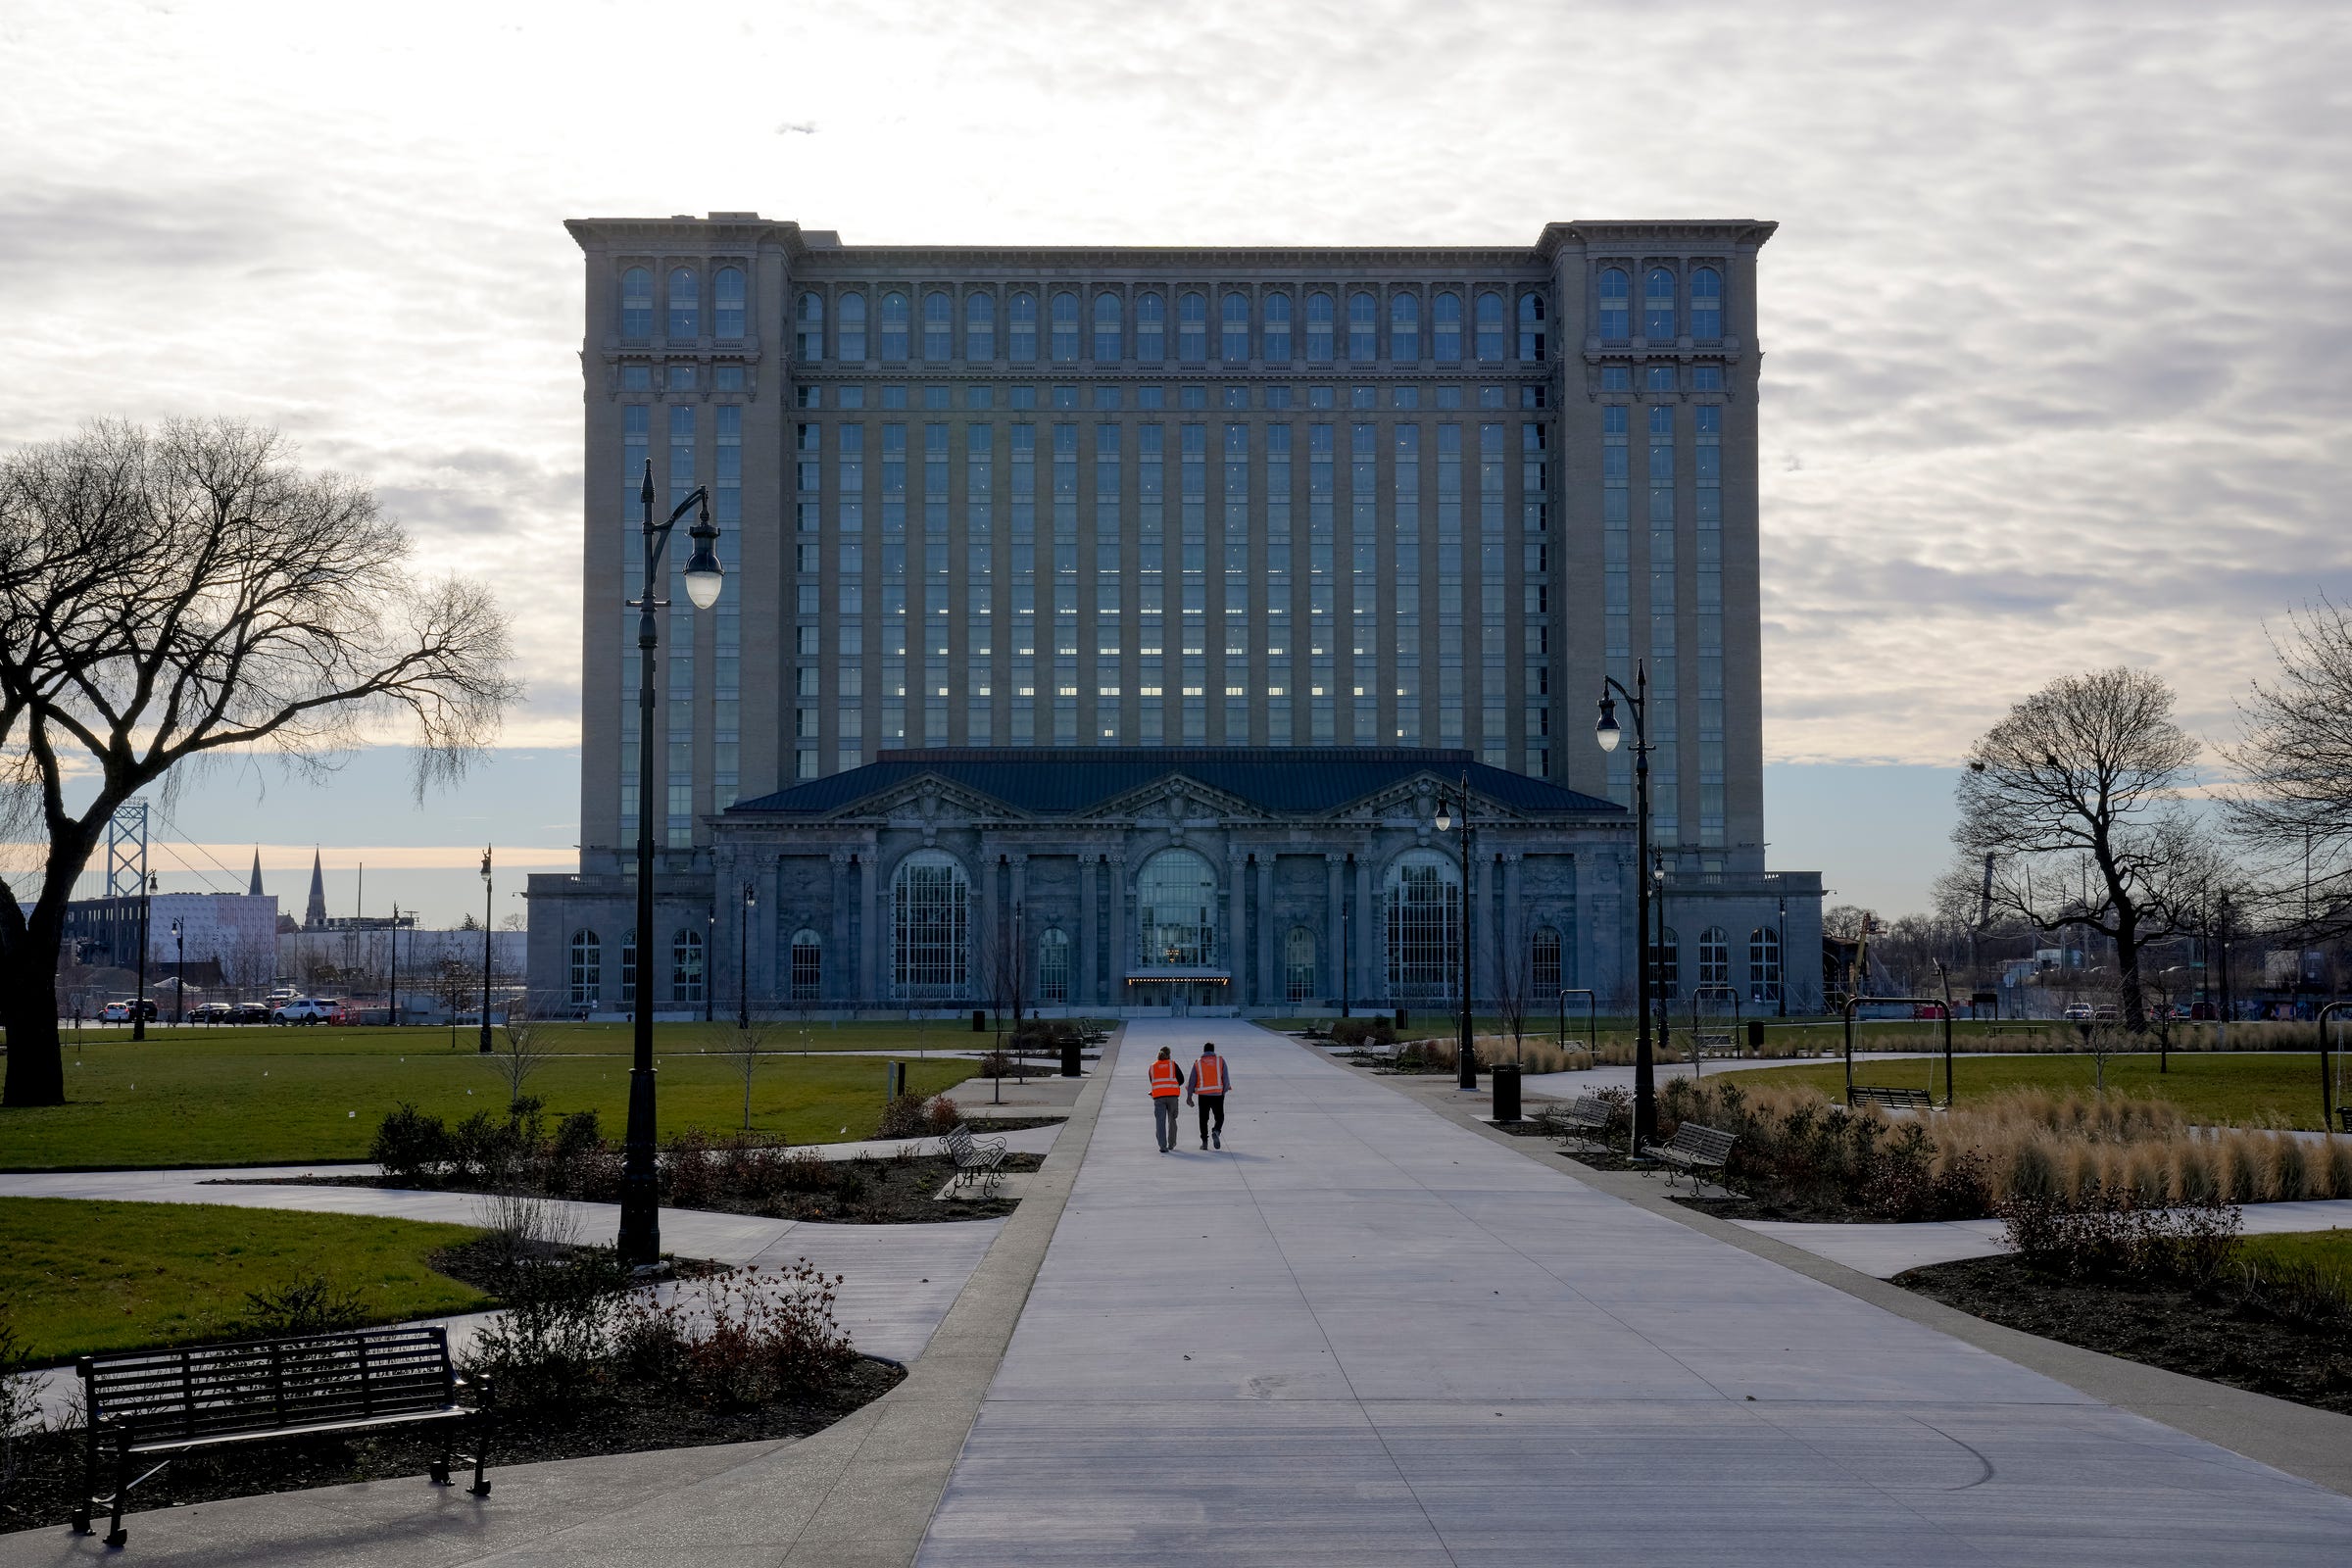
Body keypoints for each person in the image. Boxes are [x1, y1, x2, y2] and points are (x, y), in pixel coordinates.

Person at [1186, 1041, 1231, 1150]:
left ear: (1204, 1051)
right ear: (1213, 1051)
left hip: (1203, 1096)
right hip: (1217, 1095)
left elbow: (1192, 1081)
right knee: (1220, 1117)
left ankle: (1204, 1142)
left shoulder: (1198, 1062)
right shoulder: (1220, 1061)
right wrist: (1223, 1092)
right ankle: (1216, 1130)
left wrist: (1189, 1097)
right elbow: (1226, 1080)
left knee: (1203, 1119)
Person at [1148, 1045, 1184, 1152]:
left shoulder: (1152, 1067)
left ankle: (1162, 1146)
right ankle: (1171, 1143)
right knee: (1172, 1120)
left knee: (1160, 1121)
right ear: (1169, 1055)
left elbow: (1152, 1081)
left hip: (1158, 1097)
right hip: (1172, 1096)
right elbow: (1181, 1080)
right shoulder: (1173, 1065)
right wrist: (1172, 1085)